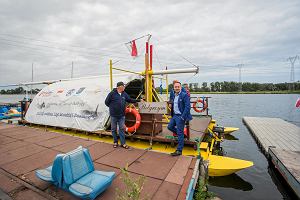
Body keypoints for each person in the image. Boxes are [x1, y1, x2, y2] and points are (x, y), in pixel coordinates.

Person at [105, 81, 143, 149]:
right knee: (113, 129)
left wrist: (139, 100)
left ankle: (123, 143)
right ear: (119, 87)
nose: (124, 87)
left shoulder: (124, 94)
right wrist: (113, 108)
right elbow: (106, 102)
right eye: (123, 86)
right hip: (113, 115)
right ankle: (115, 142)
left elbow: (130, 99)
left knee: (122, 129)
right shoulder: (112, 94)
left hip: (121, 115)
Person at [168, 81, 192, 156]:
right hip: (175, 115)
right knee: (170, 127)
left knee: (179, 132)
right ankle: (182, 136)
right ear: (174, 88)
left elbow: (188, 107)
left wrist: (182, 117)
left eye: (178, 87)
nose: (177, 88)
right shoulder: (174, 95)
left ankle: (179, 150)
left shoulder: (184, 95)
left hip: (180, 116)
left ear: (180, 87)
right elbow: (173, 103)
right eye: (175, 87)